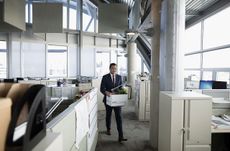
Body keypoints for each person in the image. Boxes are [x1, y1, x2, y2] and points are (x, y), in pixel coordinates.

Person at [100, 63, 128, 143]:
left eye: (115, 68)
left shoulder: (119, 77)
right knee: (108, 116)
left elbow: (120, 87)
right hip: (108, 100)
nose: (114, 70)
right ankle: (108, 129)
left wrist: (122, 91)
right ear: (110, 69)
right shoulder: (105, 77)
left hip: (117, 100)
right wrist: (107, 92)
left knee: (119, 117)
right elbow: (102, 88)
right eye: (112, 68)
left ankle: (121, 136)